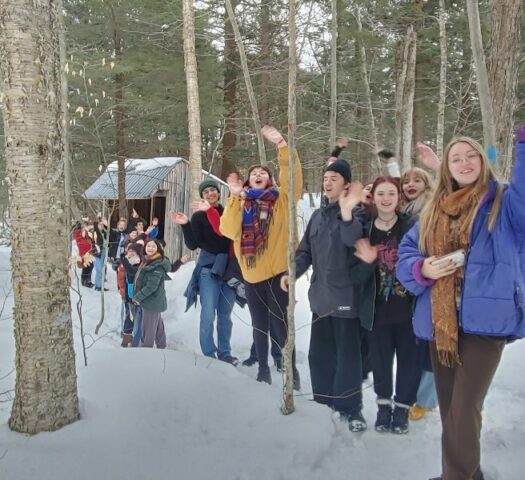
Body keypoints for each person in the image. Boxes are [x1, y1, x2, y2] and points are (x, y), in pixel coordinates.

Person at [396, 129, 525, 480]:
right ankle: (470, 472)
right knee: (454, 408)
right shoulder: (434, 209)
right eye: (456, 158)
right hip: (442, 323)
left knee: (464, 408)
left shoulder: (504, 202)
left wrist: (524, 146)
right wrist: (421, 267)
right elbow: (406, 254)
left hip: (486, 322)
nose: (464, 162)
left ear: (483, 162)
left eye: (471, 156)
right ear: (446, 168)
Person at [282, 159, 373, 432]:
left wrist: (346, 212)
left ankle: (351, 408)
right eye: (325, 178)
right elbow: (305, 252)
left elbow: (353, 240)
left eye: (334, 178)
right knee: (320, 355)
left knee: (347, 358)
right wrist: (292, 273)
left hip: (347, 298)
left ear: (346, 183)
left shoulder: (357, 213)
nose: (328, 182)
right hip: (320, 298)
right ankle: (322, 402)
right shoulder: (317, 217)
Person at [220, 125, 302, 387]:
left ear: (270, 180)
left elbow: (293, 177)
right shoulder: (240, 204)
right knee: (259, 326)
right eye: (254, 173)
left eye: (263, 173)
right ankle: (263, 368)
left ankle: (290, 370)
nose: (258, 174)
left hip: (279, 273)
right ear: (248, 181)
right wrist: (233, 199)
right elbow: (228, 230)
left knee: (282, 325)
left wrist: (282, 146)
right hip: (252, 275)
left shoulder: (282, 200)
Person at [353, 176, 420, 434]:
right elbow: (356, 277)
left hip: (408, 311)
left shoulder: (412, 226)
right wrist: (368, 260)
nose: (386, 198)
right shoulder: (365, 229)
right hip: (376, 311)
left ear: (398, 197)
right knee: (380, 362)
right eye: (381, 193)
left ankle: (402, 409)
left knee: (409, 362)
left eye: (391, 193)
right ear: (375, 197)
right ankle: (383, 408)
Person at [172, 179, 239, 365]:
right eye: (206, 192)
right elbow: (193, 244)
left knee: (225, 314)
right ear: (202, 196)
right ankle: (209, 353)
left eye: (213, 190)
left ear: (219, 192)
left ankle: (225, 353)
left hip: (229, 270)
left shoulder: (228, 213)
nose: (210, 193)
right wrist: (185, 224)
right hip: (208, 269)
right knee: (208, 313)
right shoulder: (199, 217)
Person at [133, 239, 172, 349]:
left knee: (148, 331)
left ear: (158, 249)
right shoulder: (147, 261)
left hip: (152, 303)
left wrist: (137, 297)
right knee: (158, 327)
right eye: (148, 246)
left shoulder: (157, 265)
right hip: (152, 302)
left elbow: (151, 287)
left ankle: (146, 352)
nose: (150, 248)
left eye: (153, 246)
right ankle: (162, 348)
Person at [73, 221, 95, 288]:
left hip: (89, 253)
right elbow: (77, 237)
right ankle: (84, 281)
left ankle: (87, 280)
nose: (85, 227)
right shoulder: (78, 233)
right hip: (83, 254)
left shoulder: (87, 234)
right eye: (84, 226)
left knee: (90, 267)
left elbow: (91, 240)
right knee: (86, 267)